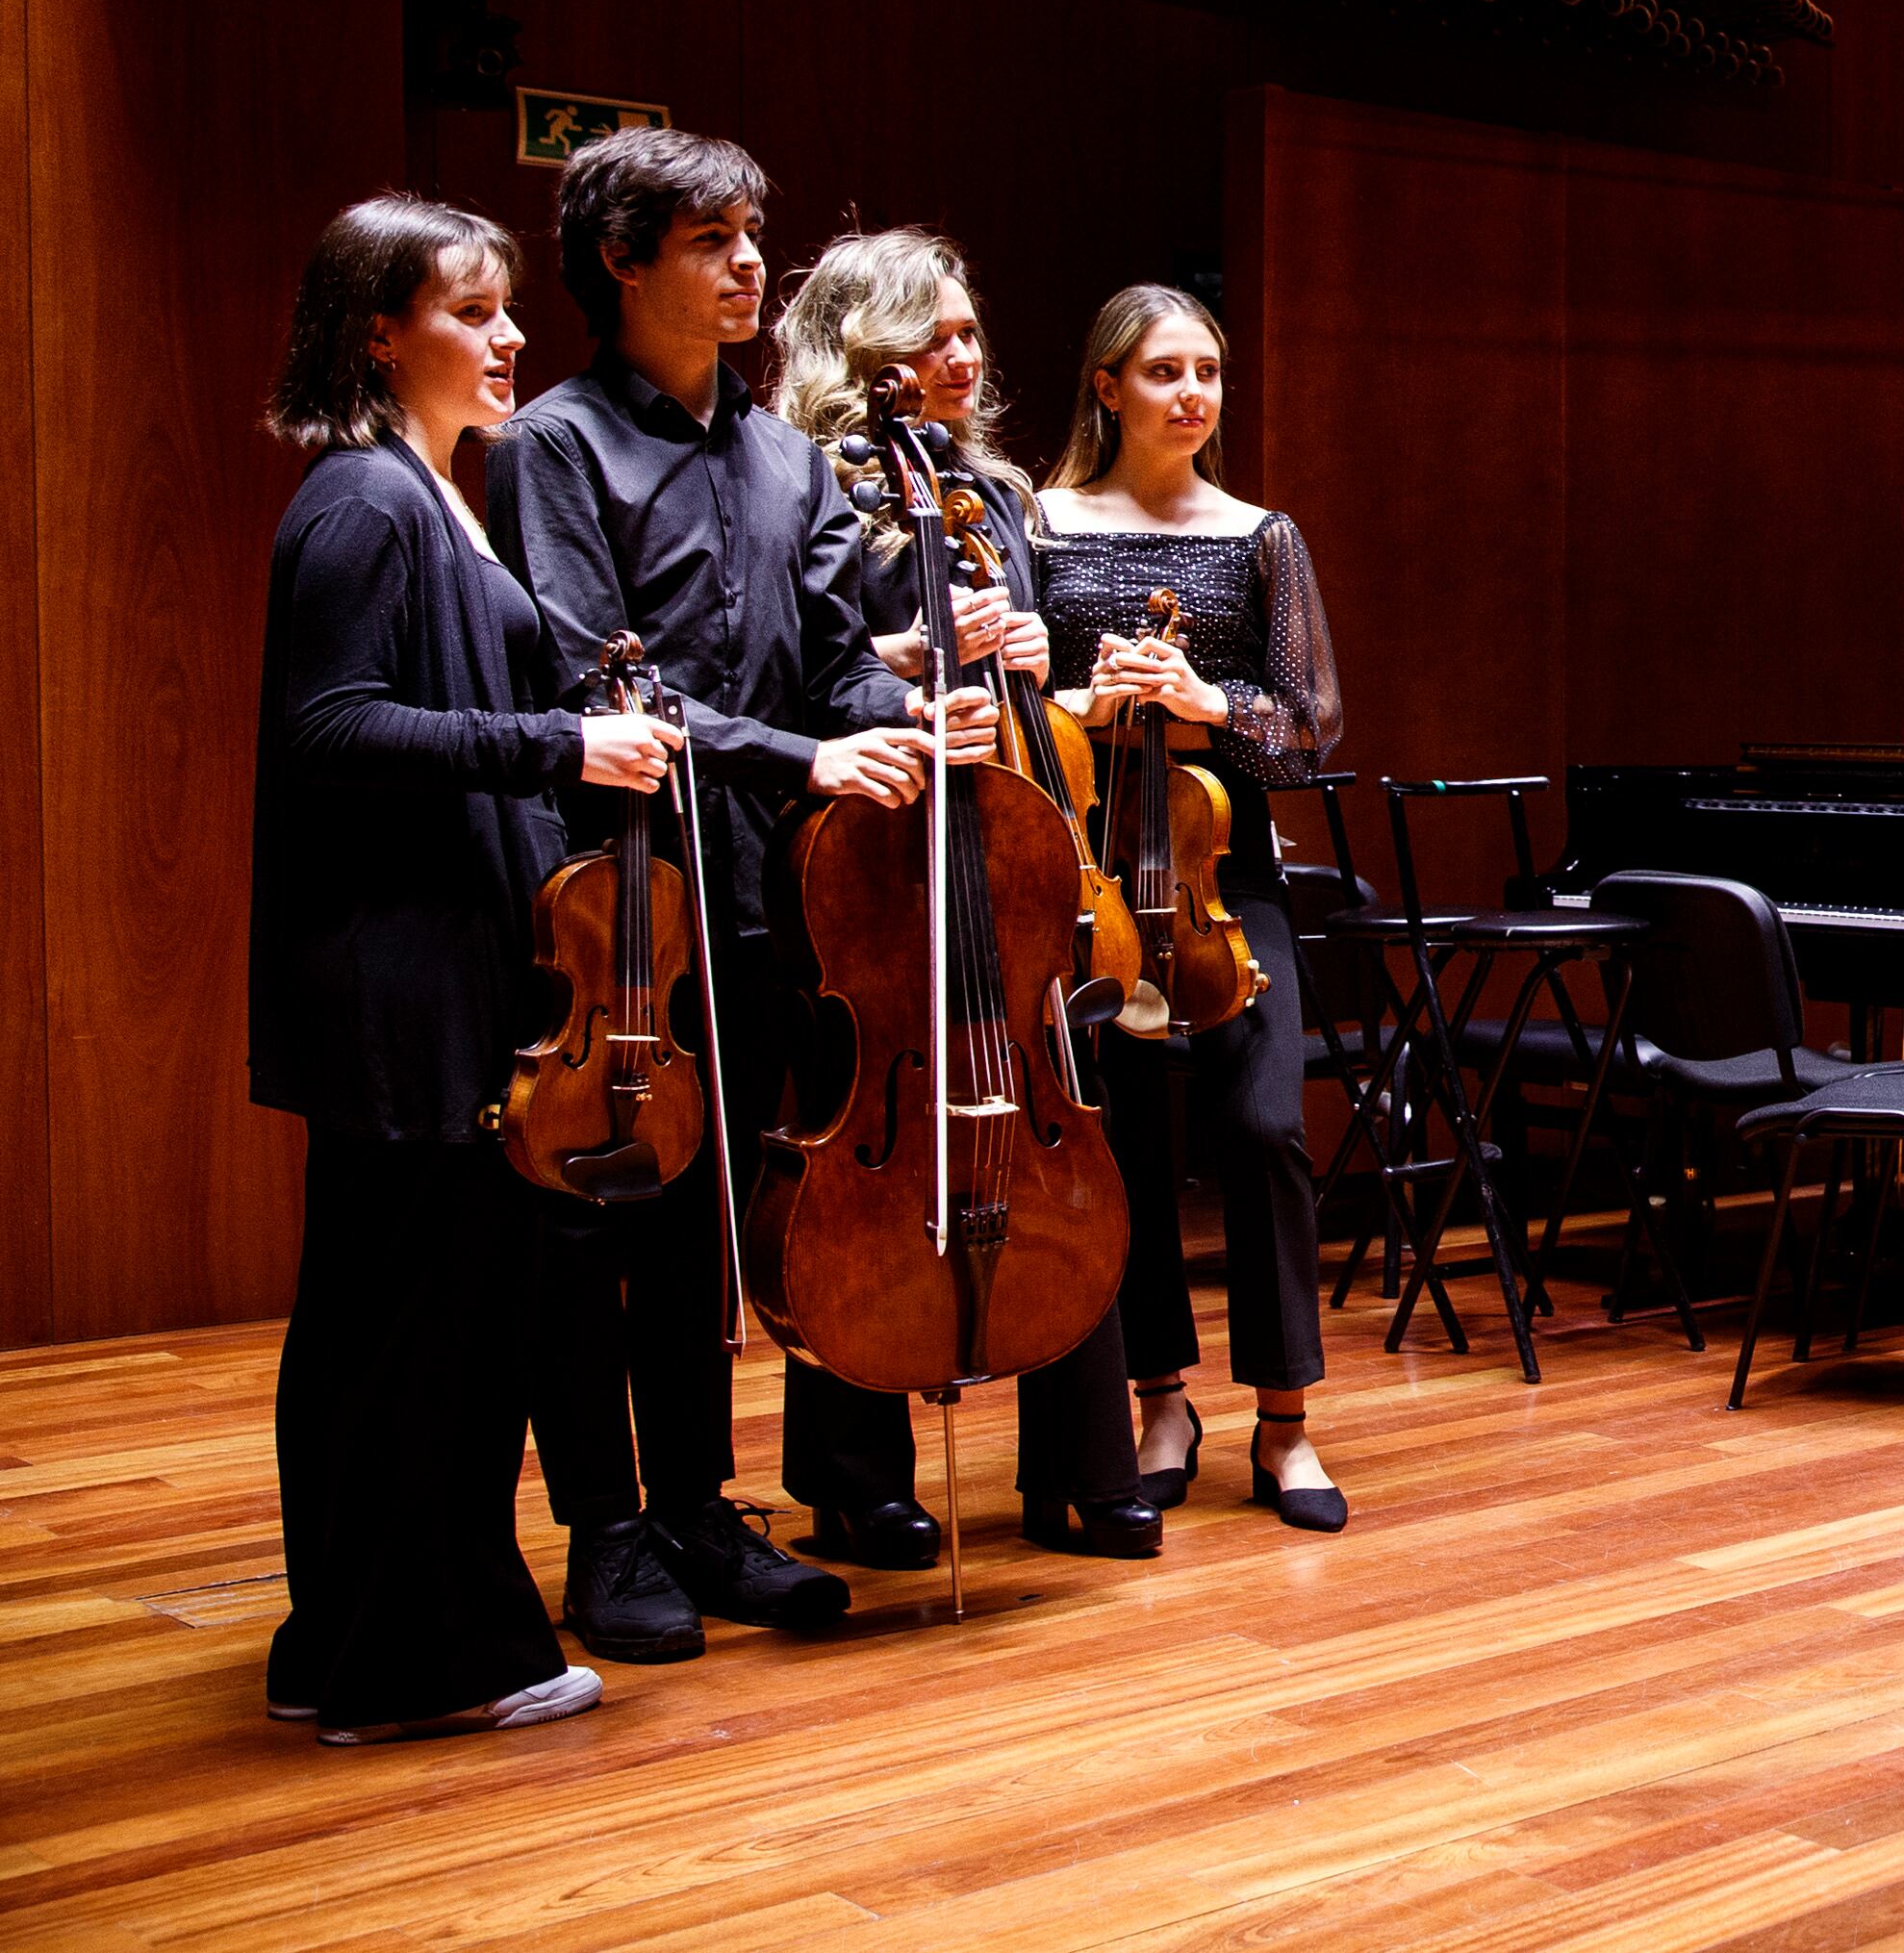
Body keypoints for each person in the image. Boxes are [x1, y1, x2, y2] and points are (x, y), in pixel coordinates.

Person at [486, 130, 951, 1655]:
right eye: (711, 240)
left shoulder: (782, 453)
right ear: (623, 262)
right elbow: (585, 669)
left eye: (754, 234)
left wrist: (884, 724)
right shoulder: (554, 445)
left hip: (759, 892)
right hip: (613, 906)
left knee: (706, 1225)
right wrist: (808, 752)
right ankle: (604, 1534)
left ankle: (696, 1505)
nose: (753, 264)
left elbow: (826, 664)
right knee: (588, 1224)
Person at [248, 195, 659, 1743]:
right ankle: (426, 1663)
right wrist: (564, 740)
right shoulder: (366, 503)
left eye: (506, 311)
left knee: (367, 1319)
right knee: (424, 1329)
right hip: (401, 985)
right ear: (376, 330)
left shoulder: (424, 492)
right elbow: (331, 728)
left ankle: (336, 1641)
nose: (509, 339)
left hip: (421, 974)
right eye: (471, 313)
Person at [771, 226, 1159, 1559]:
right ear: (861, 344)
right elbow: (799, 669)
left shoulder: (991, 490)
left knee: (1052, 1114)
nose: (964, 354)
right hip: (877, 848)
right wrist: (903, 661)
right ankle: (852, 1471)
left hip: (1006, 851)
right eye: (934, 334)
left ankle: (1083, 1460)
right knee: (863, 1147)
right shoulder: (809, 481)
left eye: (970, 332)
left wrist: (1039, 652)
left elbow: (1035, 691)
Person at [1036, 285, 1354, 1531]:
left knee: (1266, 1124)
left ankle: (1287, 1421)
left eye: (1209, 371)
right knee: (1130, 1146)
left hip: (1227, 878)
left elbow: (1313, 728)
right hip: (1094, 880)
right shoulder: (1043, 525)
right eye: (1165, 370)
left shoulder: (1259, 534)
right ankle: (1161, 1398)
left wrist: (1210, 702)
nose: (1194, 393)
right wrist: (1085, 704)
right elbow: (1015, 699)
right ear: (1106, 385)